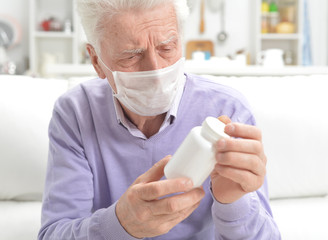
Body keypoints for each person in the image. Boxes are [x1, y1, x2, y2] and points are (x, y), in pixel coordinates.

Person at [38, 0, 281, 239]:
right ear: (96, 61)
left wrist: (233, 203)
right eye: (131, 56)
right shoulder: (76, 114)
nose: (155, 72)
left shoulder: (227, 109)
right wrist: (120, 224)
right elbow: (53, 234)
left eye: (167, 48)